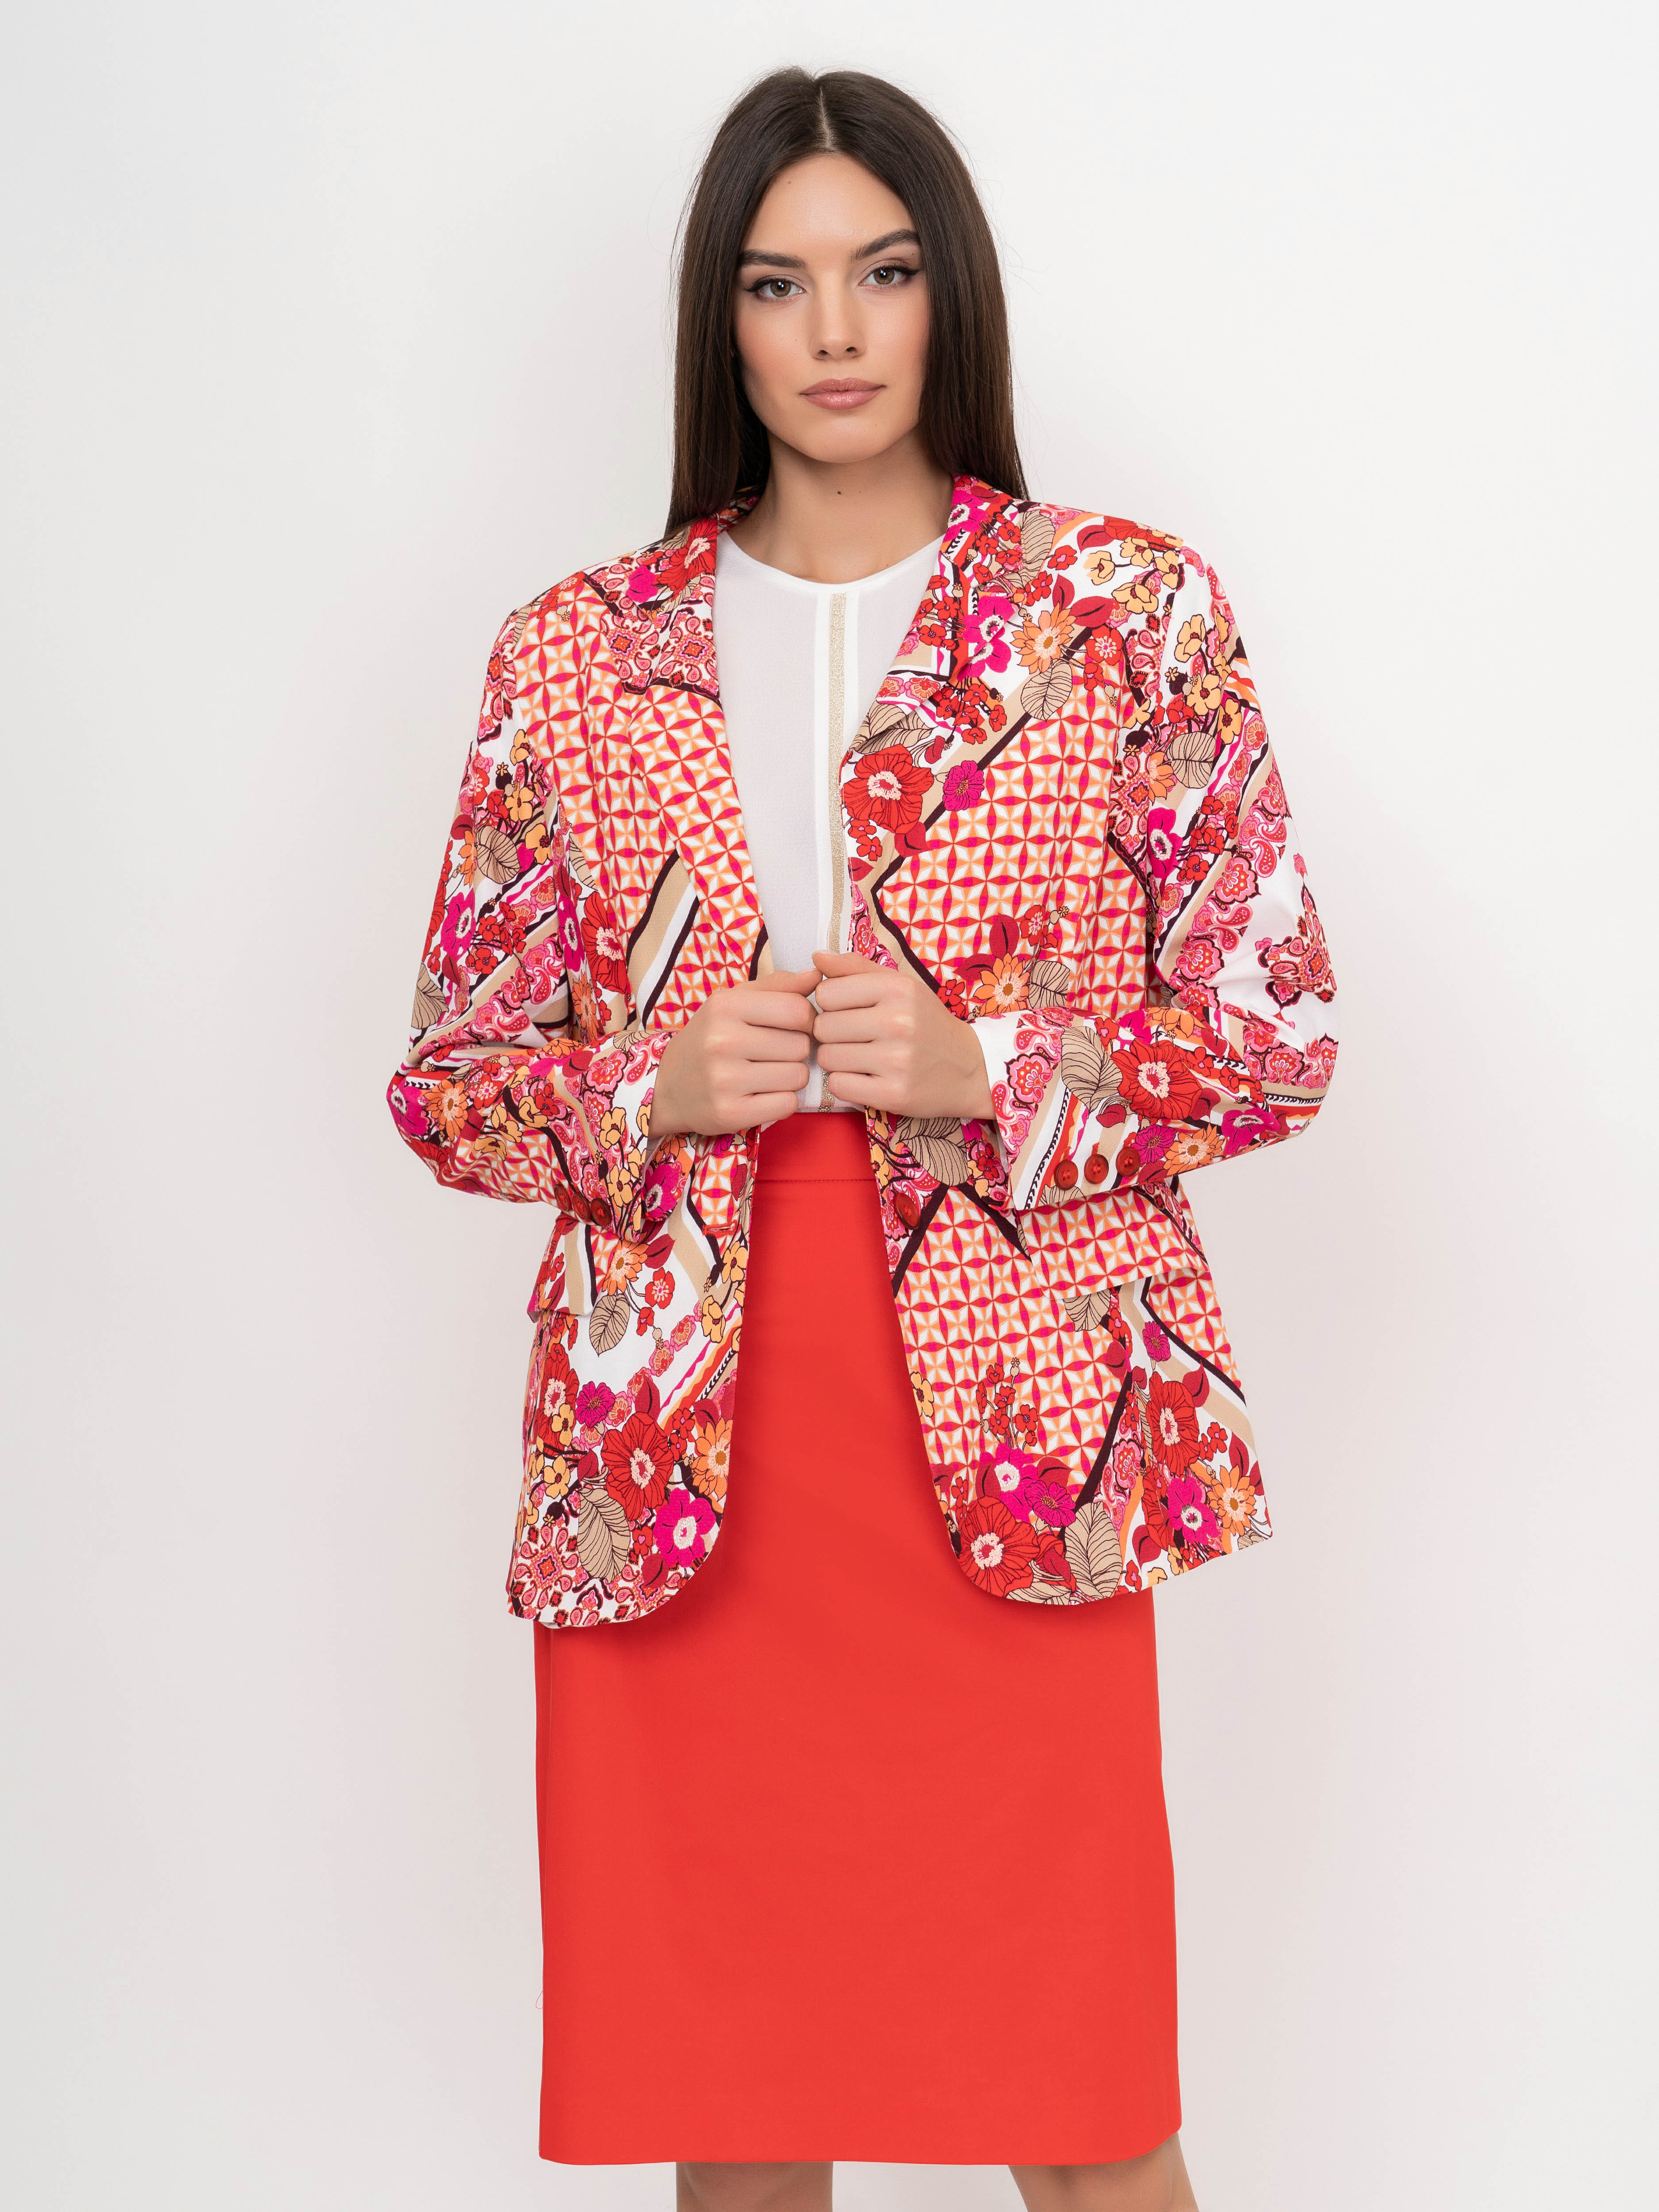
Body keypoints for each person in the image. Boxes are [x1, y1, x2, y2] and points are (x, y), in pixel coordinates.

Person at [388, 64, 1338, 2212]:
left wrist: (980, 1061)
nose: (833, 329)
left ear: (946, 294)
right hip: (681, 1443)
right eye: (776, 281)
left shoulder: (1120, 611)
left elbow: (1276, 1032)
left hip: (1014, 1425)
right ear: (717, 320)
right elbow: (450, 1076)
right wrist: (645, 1087)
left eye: (881, 272)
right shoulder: (573, 655)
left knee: (1082, 2107)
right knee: (735, 2102)